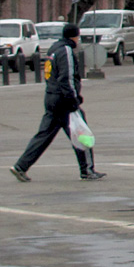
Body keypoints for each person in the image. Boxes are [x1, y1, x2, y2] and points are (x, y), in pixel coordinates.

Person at [10, 23, 105, 182]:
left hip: (51, 97)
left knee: (44, 135)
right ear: (74, 36)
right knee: (82, 133)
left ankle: (21, 166)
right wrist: (73, 99)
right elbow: (66, 77)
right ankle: (87, 170)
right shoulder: (66, 51)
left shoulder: (54, 49)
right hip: (64, 101)